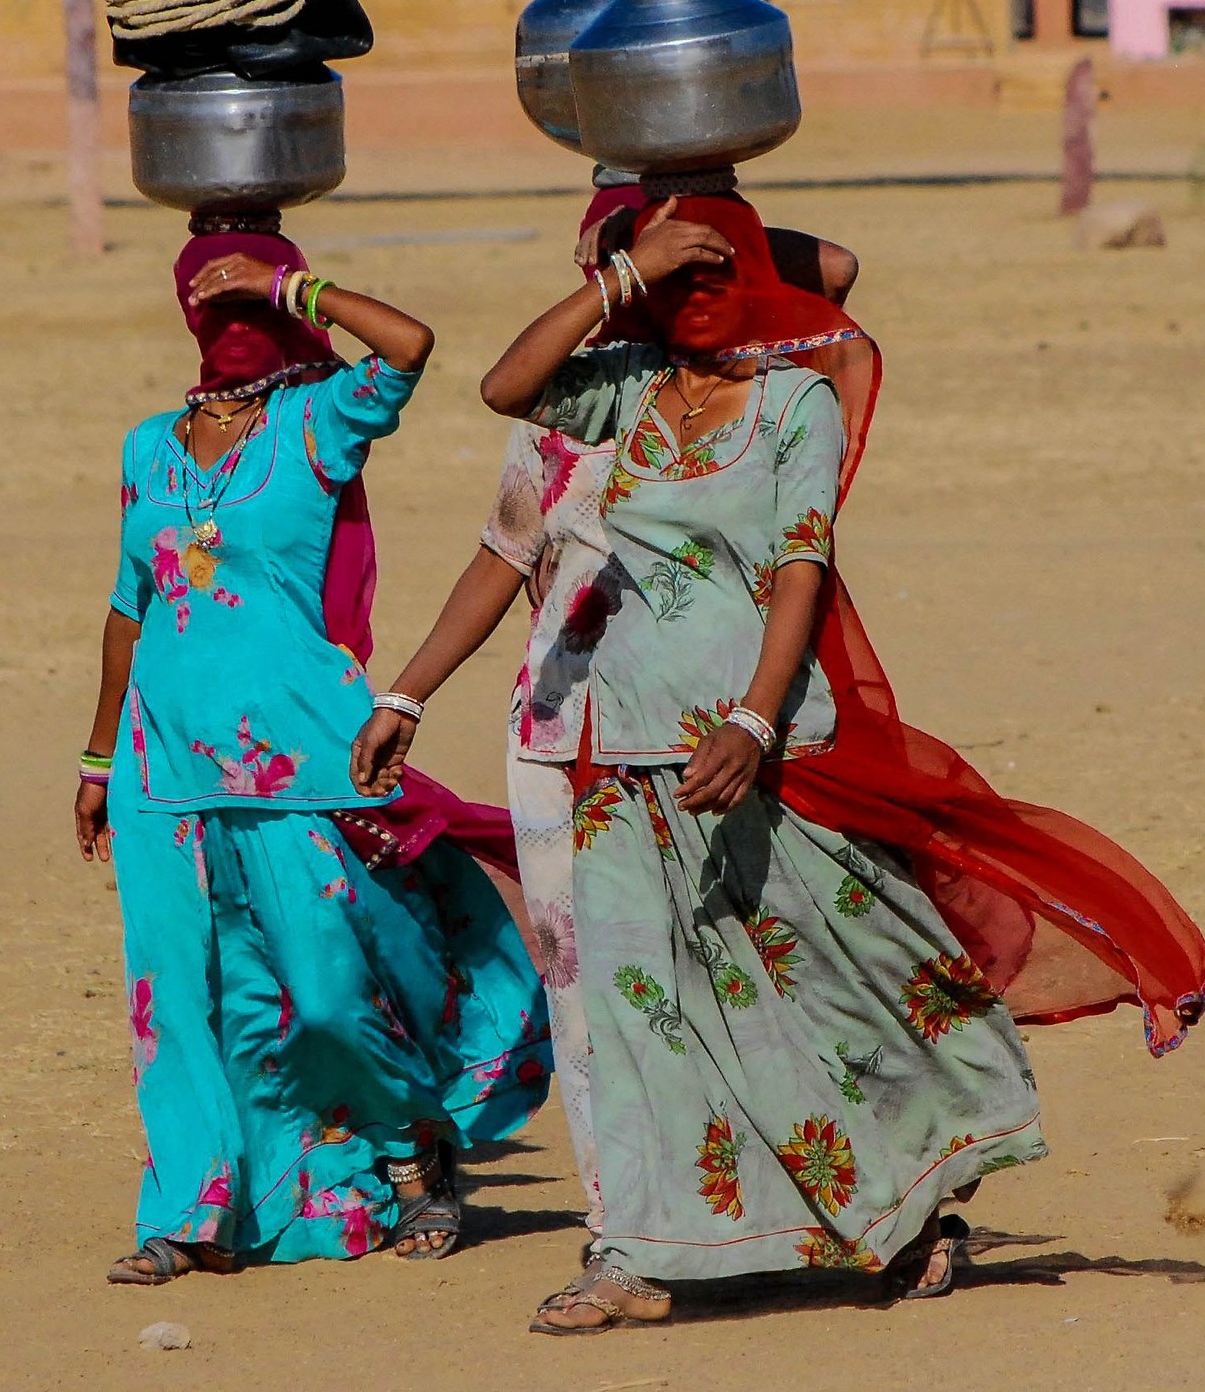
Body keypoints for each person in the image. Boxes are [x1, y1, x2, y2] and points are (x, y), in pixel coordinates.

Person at [359, 194, 1205, 1332]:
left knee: (829, 982)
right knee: (634, 1010)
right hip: (610, 758)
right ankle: (636, 1251)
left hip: (756, 754)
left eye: (700, 269)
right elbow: (503, 391)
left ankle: (912, 1201)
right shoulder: (613, 390)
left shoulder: (793, 402)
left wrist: (755, 722)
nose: (682, 290)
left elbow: (800, 568)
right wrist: (408, 689)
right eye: (654, 270)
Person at [352, 188, 860, 1246]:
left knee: (741, 967)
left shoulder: (757, 396)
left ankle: (789, 1208)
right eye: (622, 255)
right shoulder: (575, 404)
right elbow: (501, 554)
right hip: (557, 735)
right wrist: (408, 690)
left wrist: (711, 220)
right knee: (587, 991)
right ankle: (621, 1218)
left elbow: (840, 267)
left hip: (699, 733)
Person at [74, 227, 550, 1284]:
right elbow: (126, 606)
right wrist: (99, 756)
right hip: (163, 763)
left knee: (331, 983)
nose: (230, 307)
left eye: (248, 290)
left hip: (298, 754)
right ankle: (193, 1207)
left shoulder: (315, 423)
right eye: (213, 289)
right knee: (182, 993)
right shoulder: (146, 445)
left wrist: (298, 283)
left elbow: (411, 346)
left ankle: (414, 1145)